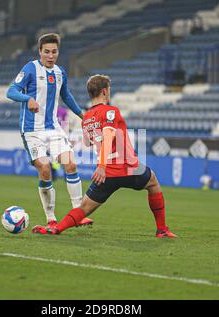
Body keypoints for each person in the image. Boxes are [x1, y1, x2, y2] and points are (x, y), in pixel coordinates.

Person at [32, 75, 177, 238]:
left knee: (83, 208)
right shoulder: (111, 111)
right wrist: (102, 165)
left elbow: (87, 143)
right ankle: (162, 229)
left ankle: (56, 228)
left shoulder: (86, 118)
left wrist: (101, 164)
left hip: (106, 175)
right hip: (127, 167)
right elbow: (108, 134)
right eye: (109, 90)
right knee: (153, 183)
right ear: (104, 91)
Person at [6, 33, 92, 228]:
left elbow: (66, 95)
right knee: (45, 169)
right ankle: (51, 218)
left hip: (53, 128)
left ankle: (78, 214)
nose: (50, 56)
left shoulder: (61, 72)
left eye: (54, 52)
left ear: (58, 52)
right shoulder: (30, 69)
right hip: (32, 130)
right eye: (46, 52)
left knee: (70, 164)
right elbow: (11, 91)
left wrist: (82, 115)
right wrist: (27, 99)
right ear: (39, 52)